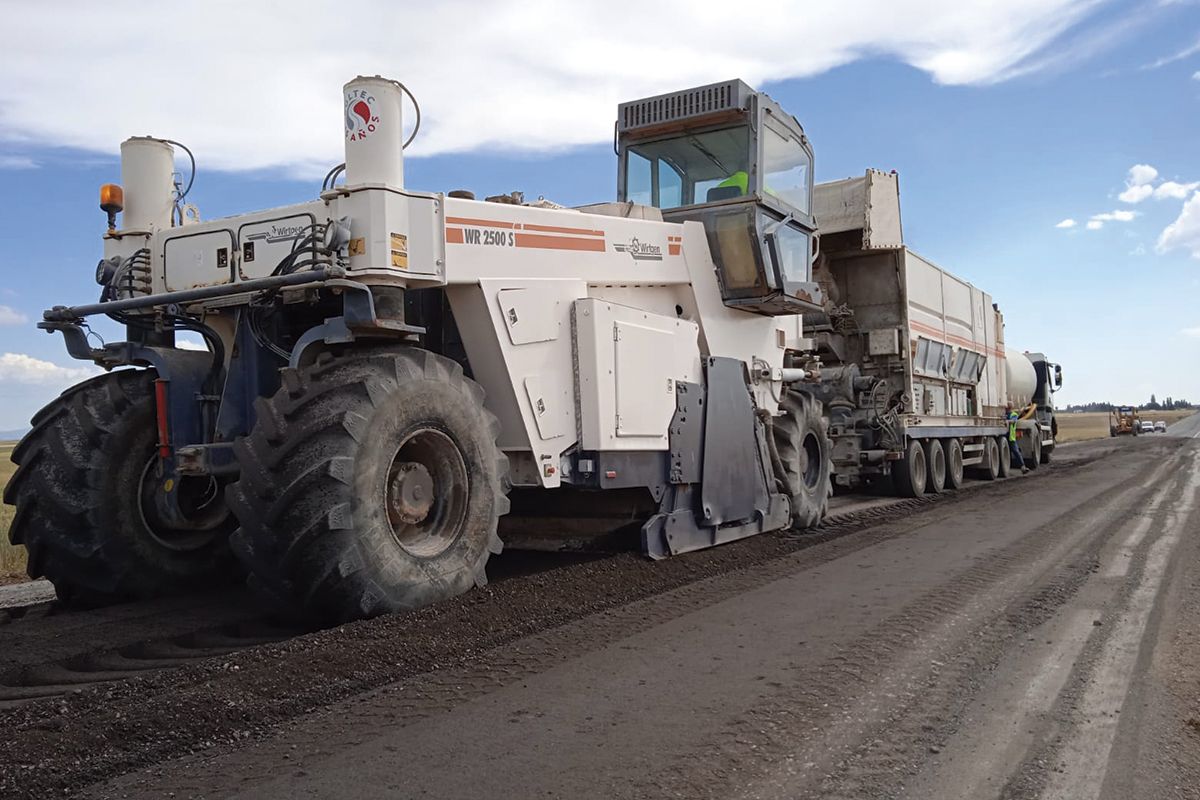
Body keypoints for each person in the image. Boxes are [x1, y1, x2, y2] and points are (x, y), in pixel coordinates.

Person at [1006, 402, 1029, 474]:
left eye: (1007, 407)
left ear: (1009, 407)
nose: (1006, 408)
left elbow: (1013, 421)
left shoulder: (1014, 414)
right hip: (1004, 435)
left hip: (1011, 436)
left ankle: (1023, 467)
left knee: (1016, 452)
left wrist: (1007, 421)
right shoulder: (1004, 414)